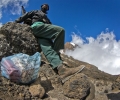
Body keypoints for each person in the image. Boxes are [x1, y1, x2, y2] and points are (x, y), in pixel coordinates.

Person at [15, 4, 85, 83]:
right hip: (37, 27)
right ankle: (57, 51)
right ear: (41, 7)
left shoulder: (47, 19)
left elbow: (50, 27)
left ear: (47, 10)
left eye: (47, 7)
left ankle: (62, 71)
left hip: (42, 34)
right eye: (44, 6)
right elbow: (25, 15)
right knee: (60, 30)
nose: (45, 7)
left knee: (48, 49)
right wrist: (16, 22)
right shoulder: (36, 11)